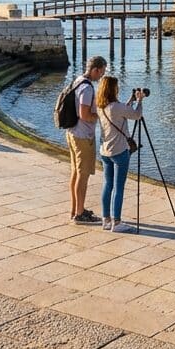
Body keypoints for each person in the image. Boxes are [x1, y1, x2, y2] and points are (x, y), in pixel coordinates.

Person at [96, 77, 144, 233]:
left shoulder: (101, 106)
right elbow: (136, 115)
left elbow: (121, 112)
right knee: (119, 187)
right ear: (113, 89)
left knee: (108, 184)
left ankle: (106, 220)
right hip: (119, 152)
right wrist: (140, 100)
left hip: (105, 151)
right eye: (116, 87)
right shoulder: (117, 107)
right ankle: (116, 222)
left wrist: (131, 100)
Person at [66, 55, 107, 224]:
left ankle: (75, 209)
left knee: (76, 173)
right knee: (83, 176)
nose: (102, 76)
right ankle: (80, 214)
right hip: (83, 136)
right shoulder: (87, 88)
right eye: (102, 72)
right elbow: (84, 114)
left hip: (72, 132)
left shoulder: (78, 80)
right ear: (95, 69)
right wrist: (99, 115)